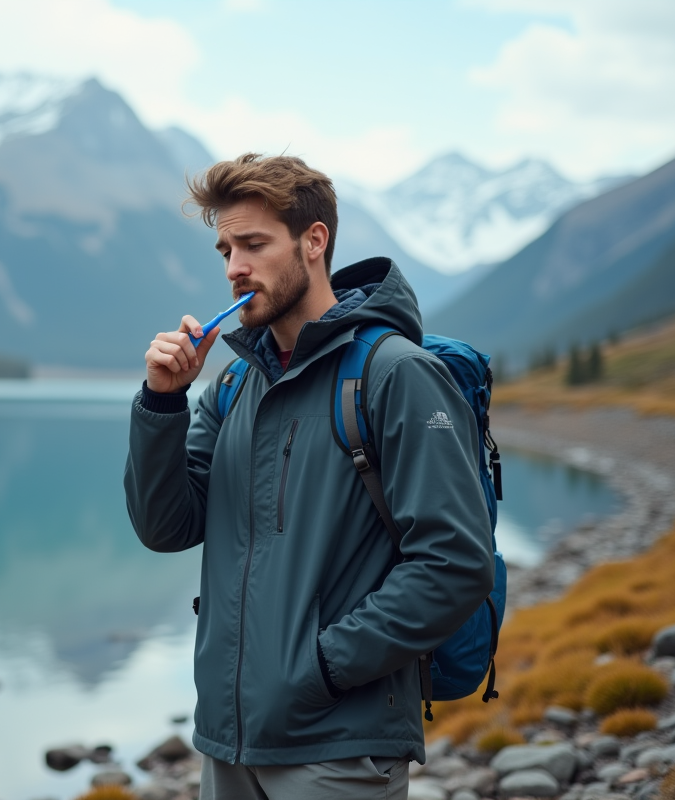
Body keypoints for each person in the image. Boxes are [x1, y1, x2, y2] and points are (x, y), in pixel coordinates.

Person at [123, 153, 495, 800]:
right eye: (226, 250)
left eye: (253, 245)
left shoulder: (395, 374)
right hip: (227, 743)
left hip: (339, 749)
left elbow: (455, 564)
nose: (234, 268)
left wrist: (318, 669)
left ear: (314, 241)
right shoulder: (235, 383)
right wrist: (162, 402)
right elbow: (165, 527)